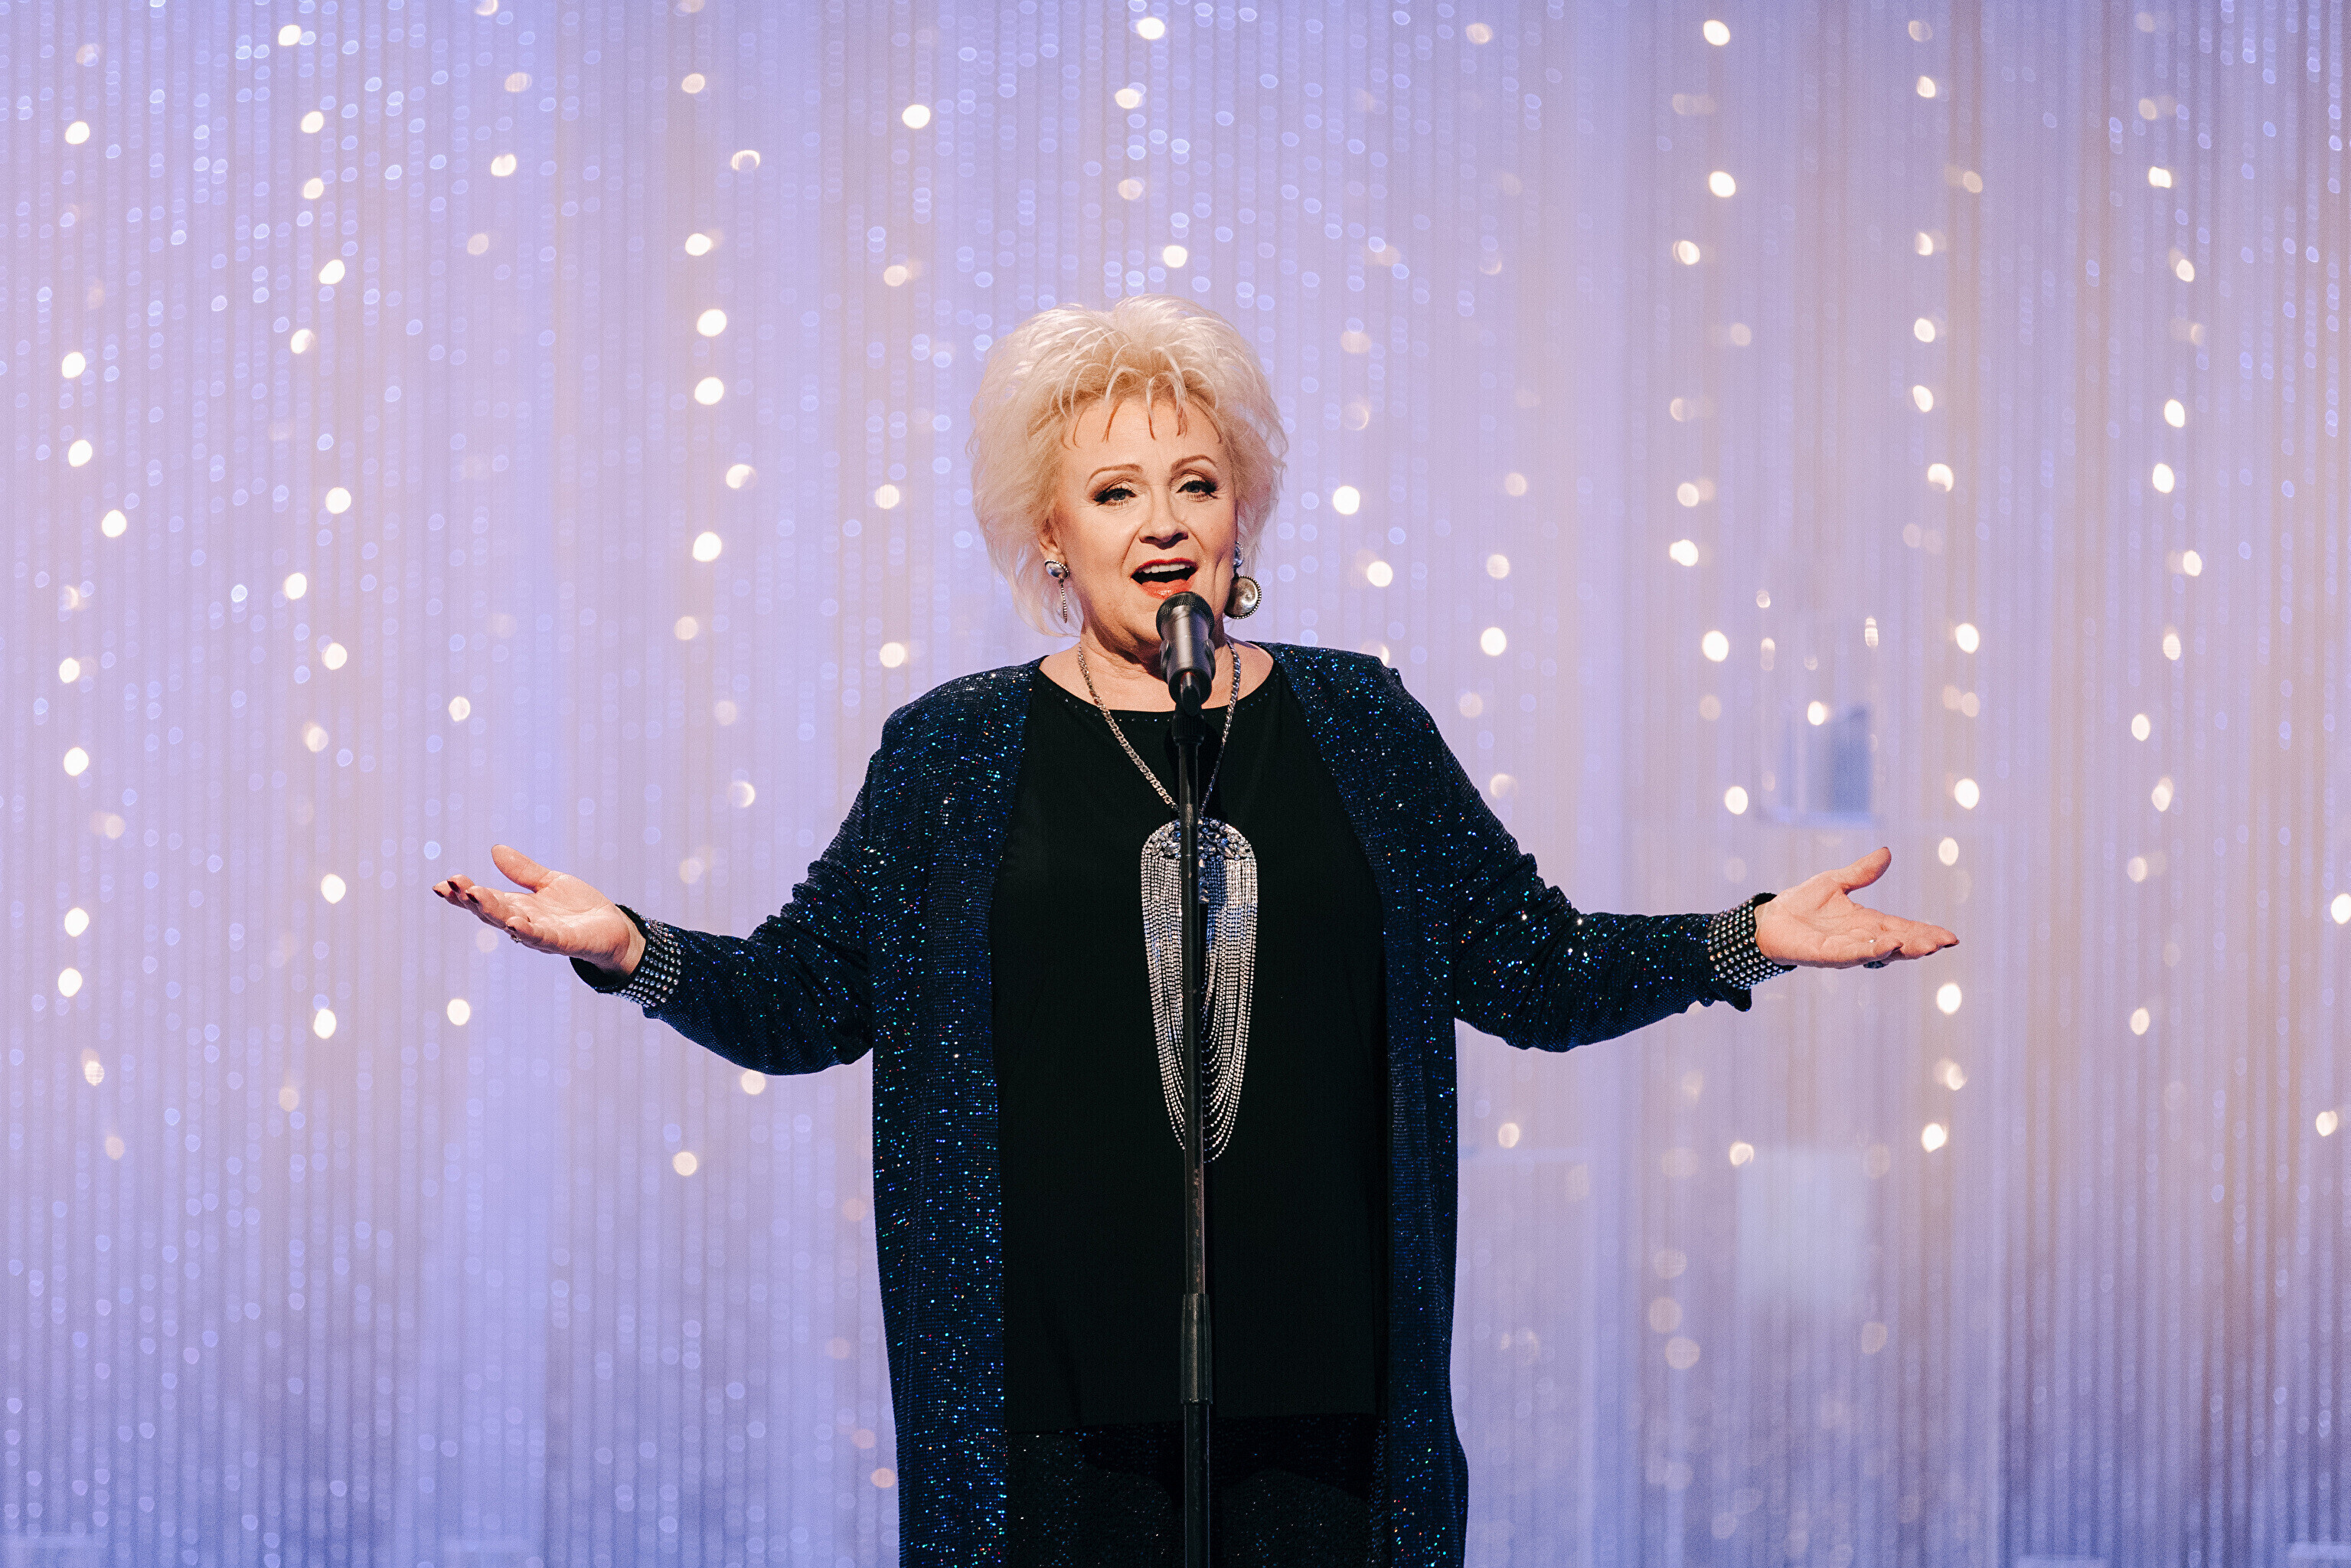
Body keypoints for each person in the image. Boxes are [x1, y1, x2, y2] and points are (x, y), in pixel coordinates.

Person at [433, 296, 1956, 1566]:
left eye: (1196, 483)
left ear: (1243, 511)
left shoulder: (1359, 722)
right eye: (1114, 492)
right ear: (1050, 531)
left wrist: (1747, 936)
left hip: (1328, 1405)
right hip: (1047, 1419)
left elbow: (1527, 965)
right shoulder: (952, 753)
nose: (1161, 523)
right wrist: (630, 945)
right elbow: (809, 997)